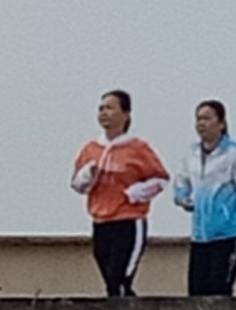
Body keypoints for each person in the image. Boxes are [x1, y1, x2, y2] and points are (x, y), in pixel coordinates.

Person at [69, 91, 169, 298]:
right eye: (101, 108)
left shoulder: (138, 148)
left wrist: (136, 193)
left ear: (125, 114)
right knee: (109, 280)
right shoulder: (91, 149)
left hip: (128, 221)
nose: (104, 113)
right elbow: (77, 185)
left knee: (120, 277)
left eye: (110, 108)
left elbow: (161, 179)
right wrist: (87, 175)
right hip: (101, 221)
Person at [170, 100, 236, 298]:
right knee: (196, 292)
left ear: (221, 123)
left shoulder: (235, 154)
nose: (201, 124)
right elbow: (181, 180)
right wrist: (182, 197)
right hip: (200, 236)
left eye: (207, 118)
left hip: (228, 235)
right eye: (198, 119)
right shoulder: (191, 154)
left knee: (219, 290)